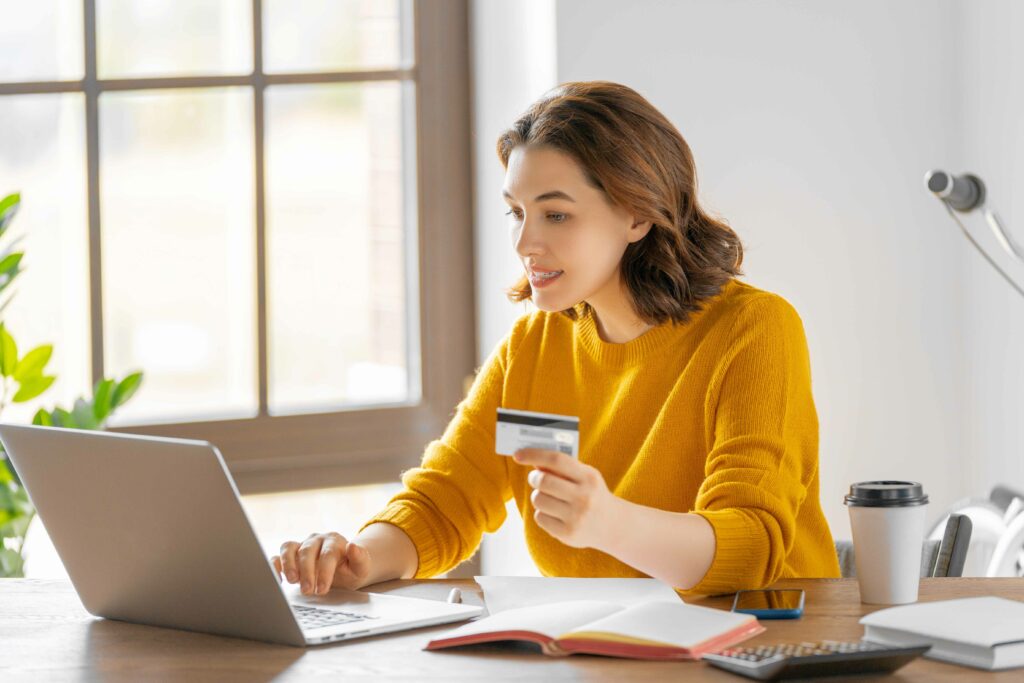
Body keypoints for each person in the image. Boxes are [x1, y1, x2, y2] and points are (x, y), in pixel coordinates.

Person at [272, 81, 841, 598]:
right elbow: (446, 498)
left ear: (637, 216)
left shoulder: (754, 330)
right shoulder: (536, 345)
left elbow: (750, 546)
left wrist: (608, 522)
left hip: (762, 645)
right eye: (516, 212)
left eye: (556, 216)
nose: (525, 241)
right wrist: (358, 558)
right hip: (601, 650)